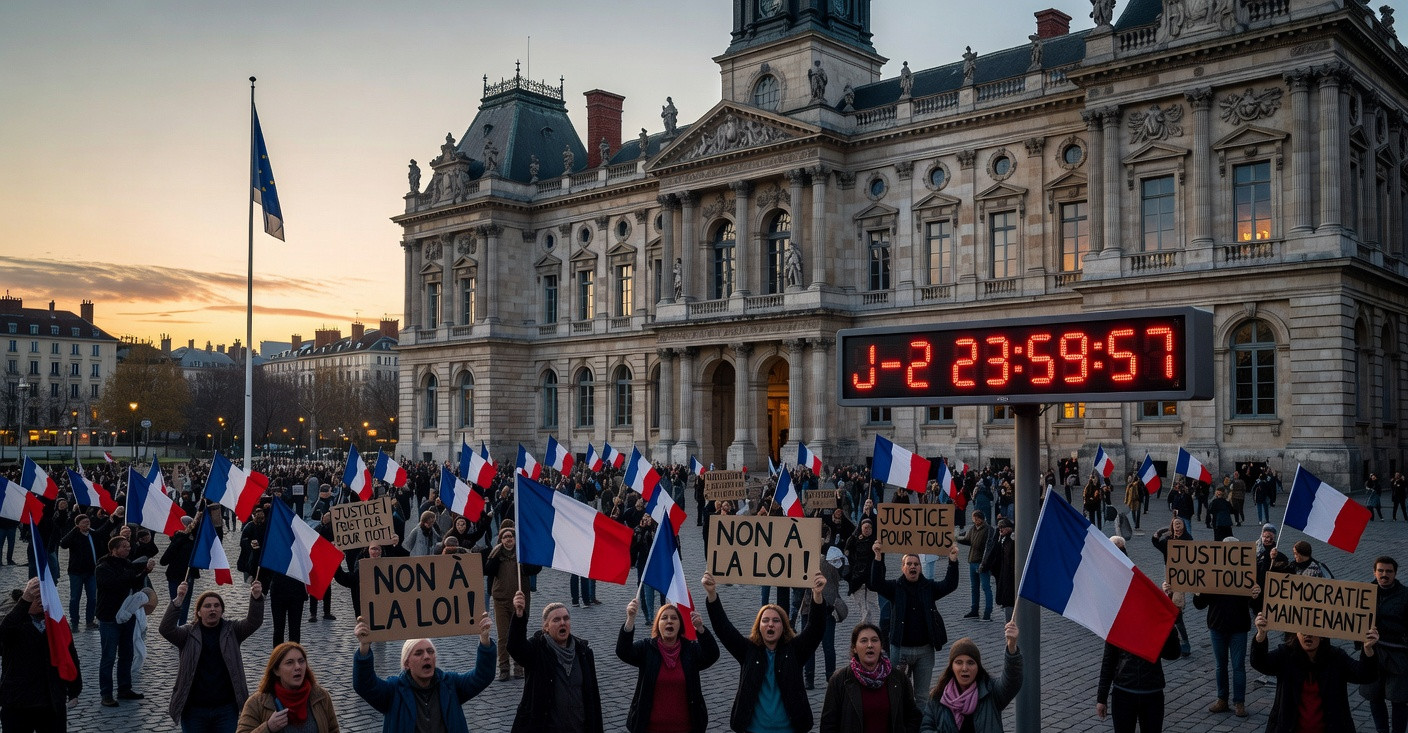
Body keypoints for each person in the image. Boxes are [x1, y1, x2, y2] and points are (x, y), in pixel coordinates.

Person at [704, 570, 828, 732]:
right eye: (766, 620)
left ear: (784, 626)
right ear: (759, 626)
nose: (770, 624)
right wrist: (712, 594)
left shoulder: (795, 651)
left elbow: (815, 629)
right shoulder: (748, 651)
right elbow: (723, 628)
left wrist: (817, 596)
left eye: (776, 621)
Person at [353, 612, 495, 733]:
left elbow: (482, 676)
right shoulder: (394, 690)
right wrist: (364, 647)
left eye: (430, 651)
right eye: (419, 653)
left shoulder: (450, 684)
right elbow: (365, 686)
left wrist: (484, 639)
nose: (426, 656)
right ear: (407, 663)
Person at [1096, 537, 1181, 733]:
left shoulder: (1156, 624)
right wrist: (1101, 698)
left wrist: (1168, 626)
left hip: (1152, 692)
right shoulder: (1120, 622)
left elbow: (1172, 654)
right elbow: (1108, 660)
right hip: (1123, 691)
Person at [161, 579, 265, 731]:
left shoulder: (233, 630)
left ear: (222, 611)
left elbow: (253, 622)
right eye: (207, 606)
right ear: (198, 611)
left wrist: (256, 598)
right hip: (193, 709)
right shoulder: (187, 633)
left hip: (226, 708)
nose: (212, 609)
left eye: (217, 606)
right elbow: (166, 629)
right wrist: (178, 600)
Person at [1251, 611, 1379, 733]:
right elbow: (1260, 662)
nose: (1308, 635)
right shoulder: (1285, 655)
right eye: (1303, 630)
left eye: (1313, 630)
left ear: (1323, 634)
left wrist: (1368, 649)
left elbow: (1365, 674)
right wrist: (1261, 636)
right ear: (1296, 633)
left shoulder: (1336, 658)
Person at [871, 541, 961, 700]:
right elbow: (876, 583)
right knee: (897, 694)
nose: (913, 567)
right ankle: (900, 724)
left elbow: (950, 585)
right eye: (909, 564)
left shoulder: (929, 587)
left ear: (920, 567)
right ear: (903, 567)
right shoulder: (895, 587)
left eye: (916, 564)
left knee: (921, 696)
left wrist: (952, 561)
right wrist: (878, 556)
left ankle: (921, 725)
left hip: (925, 652)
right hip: (900, 651)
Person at [616, 599, 720, 733]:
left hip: (686, 728)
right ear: (657, 625)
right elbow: (623, 652)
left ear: (680, 625)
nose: (669, 621)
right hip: (650, 728)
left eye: (674, 618)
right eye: (664, 618)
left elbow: (712, 654)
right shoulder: (646, 648)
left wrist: (700, 628)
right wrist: (630, 620)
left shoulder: (690, 650)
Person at [508, 590, 604, 733]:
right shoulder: (537, 650)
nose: (562, 622)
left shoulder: (584, 653)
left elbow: (593, 697)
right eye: (556, 620)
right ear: (545, 627)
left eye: (566, 618)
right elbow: (515, 647)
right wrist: (519, 616)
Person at [1, 578, 82, 731]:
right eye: (35, 597)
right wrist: (24, 601)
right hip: (18, 702)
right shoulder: (15, 620)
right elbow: (4, 632)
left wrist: (74, 688)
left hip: (50, 701)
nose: (40, 601)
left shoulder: (56, 623)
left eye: (44, 597)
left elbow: (69, 654)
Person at [1191, 542, 1261, 718]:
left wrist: (1256, 594)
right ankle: (1222, 699)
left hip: (1238, 628)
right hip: (1217, 626)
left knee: (1238, 667)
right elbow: (1199, 605)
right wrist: (1198, 592)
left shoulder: (1247, 574)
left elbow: (1255, 605)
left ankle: (1239, 703)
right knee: (1220, 666)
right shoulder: (1211, 573)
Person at [920, 622, 1022, 733]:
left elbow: (1012, 680)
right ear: (951, 667)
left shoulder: (991, 692)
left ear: (978, 667)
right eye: (959, 662)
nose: (965, 668)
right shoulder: (937, 696)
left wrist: (1012, 647)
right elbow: (926, 728)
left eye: (970, 663)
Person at [819, 622, 921, 733]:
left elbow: (913, 715)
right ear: (854, 648)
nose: (870, 645)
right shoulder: (840, 680)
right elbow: (828, 724)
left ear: (881, 646)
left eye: (874, 640)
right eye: (863, 641)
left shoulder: (898, 678)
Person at [96, 534, 156, 707]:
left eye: (128, 546)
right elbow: (112, 584)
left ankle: (124, 688)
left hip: (127, 615)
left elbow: (134, 584)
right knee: (108, 656)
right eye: (124, 546)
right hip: (109, 616)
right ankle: (106, 693)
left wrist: (145, 572)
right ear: (113, 549)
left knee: (127, 654)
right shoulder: (103, 566)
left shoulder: (128, 564)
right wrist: (135, 573)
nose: (128, 549)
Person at [238, 642, 338, 733]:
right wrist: (268, 727)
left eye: (301, 661)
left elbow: (334, 730)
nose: (298, 667)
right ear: (276, 670)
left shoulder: (321, 697)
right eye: (289, 662)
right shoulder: (257, 703)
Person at [483, 522, 540, 681]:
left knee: (519, 634)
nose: (509, 539)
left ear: (515, 539)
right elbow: (487, 571)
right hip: (501, 599)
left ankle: (519, 666)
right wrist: (495, 553)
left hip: (520, 601)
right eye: (505, 537)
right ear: (501, 539)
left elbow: (533, 570)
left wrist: (534, 555)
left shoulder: (522, 554)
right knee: (503, 636)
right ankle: (504, 667)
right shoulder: (496, 554)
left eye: (511, 537)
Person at [1363, 556, 1408, 733]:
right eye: (1380, 570)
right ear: (1374, 572)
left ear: (1395, 573)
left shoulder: (1405, 595)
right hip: (1372, 652)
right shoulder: (1364, 593)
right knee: (1374, 696)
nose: (1384, 574)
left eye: (1389, 571)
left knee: (1399, 699)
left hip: (1398, 654)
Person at [1151, 517, 1195, 656]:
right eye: (1174, 524)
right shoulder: (1168, 539)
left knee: (1175, 610)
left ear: (1183, 526)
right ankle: (1174, 641)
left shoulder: (1187, 538)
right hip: (1169, 576)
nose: (1177, 526)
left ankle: (1184, 642)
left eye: (1179, 523)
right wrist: (1163, 530)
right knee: (1170, 609)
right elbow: (1155, 541)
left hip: (1181, 577)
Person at [160, 516, 199, 626]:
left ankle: (177, 626)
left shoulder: (180, 540)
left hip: (182, 576)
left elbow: (163, 561)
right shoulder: (188, 541)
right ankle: (179, 626)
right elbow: (164, 560)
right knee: (182, 604)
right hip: (182, 576)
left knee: (177, 603)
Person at [957, 511, 994, 621]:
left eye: (976, 519)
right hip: (972, 562)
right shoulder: (973, 529)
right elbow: (968, 540)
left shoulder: (988, 530)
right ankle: (974, 610)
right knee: (974, 588)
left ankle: (988, 612)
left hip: (981, 563)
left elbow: (988, 548)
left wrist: (984, 563)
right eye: (974, 519)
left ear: (980, 518)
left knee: (986, 587)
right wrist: (956, 538)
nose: (975, 521)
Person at [982, 518, 1017, 622]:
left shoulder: (1011, 540)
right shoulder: (1001, 539)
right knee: (1005, 597)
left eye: (1002, 527)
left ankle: (1011, 621)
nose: (1000, 530)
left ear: (1009, 528)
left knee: (1009, 599)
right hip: (1002, 573)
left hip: (1010, 575)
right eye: (999, 527)